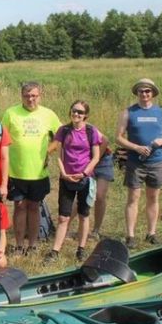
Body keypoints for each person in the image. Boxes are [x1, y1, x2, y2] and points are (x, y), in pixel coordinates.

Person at [1, 81, 61, 255]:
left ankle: (32, 245)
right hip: (16, 171)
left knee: (34, 206)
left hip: (38, 172)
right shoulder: (11, 113)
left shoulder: (48, 114)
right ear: (22, 96)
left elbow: (60, 135)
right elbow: (2, 138)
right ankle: (19, 245)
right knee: (19, 206)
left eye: (34, 96)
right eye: (27, 96)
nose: (30, 99)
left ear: (39, 96)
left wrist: (48, 151)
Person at [115, 78, 162, 248]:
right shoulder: (128, 112)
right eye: (141, 91)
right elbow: (118, 138)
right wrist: (136, 147)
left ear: (153, 93)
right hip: (135, 162)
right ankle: (130, 236)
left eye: (148, 91)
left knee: (153, 197)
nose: (144, 94)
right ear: (137, 93)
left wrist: (160, 141)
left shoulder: (161, 113)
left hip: (156, 162)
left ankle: (151, 233)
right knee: (133, 198)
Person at [44, 101, 101, 263]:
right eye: (74, 111)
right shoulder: (64, 130)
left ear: (86, 115)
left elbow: (96, 157)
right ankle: (55, 251)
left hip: (85, 179)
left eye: (80, 112)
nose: (76, 114)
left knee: (83, 215)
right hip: (66, 178)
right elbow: (60, 155)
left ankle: (81, 249)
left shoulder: (91, 131)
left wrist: (84, 173)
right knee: (63, 217)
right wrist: (63, 173)